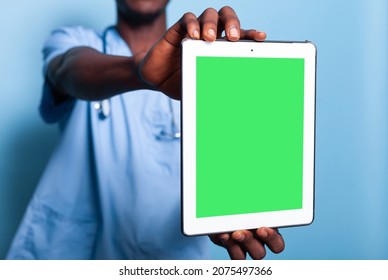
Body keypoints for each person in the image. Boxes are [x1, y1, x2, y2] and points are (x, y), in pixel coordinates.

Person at [7, 0, 285, 260]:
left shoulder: (210, 66)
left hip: (175, 258)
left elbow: (229, 172)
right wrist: (140, 70)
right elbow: (67, 69)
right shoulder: (73, 41)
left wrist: (227, 213)